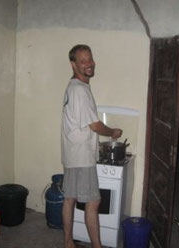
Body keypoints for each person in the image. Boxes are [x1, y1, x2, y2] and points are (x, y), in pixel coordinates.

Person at [61, 44, 123, 248]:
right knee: (93, 202)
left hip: (72, 153)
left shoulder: (74, 87)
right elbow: (95, 125)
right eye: (83, 61)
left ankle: (69, 243)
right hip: (81, 156)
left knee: (69, 198)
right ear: (73, 65)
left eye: (90, 58)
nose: (89, 64)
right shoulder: (79, 90)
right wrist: (113, 132)